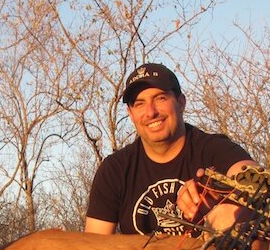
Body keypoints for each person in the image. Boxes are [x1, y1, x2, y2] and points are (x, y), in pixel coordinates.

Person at [85, 62, 258, 237]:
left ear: (181, 103)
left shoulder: (213, 148)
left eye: (160, 98)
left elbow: (255, 176)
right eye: (139, 104)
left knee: (229, 215)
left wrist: (214, 188)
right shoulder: (115, 169)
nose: (150, 112)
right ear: (130, 113)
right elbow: (94, 246)